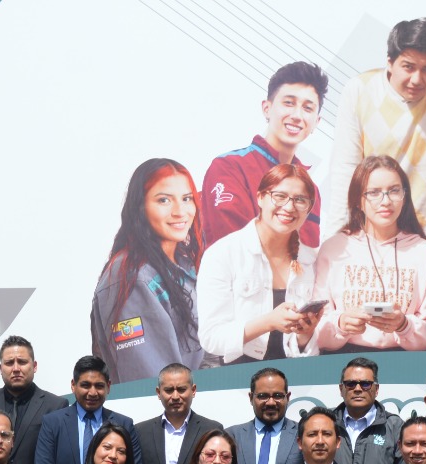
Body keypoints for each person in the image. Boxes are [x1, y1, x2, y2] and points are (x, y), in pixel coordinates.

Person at [326, 18, 426, 238]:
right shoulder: (360, 90)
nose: (417, 79)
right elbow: (346, 171)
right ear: (390, 62)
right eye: (408, 67)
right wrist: (335, 240)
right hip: (376, 239)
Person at [92, 158, 205, 383]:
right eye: (164, 200)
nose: (180, 211)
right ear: (140, 208)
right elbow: (152, 383)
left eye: (186, 199)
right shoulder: (131, 278)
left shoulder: (186, 264)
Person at [198, 164, 321, 367]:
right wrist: (269, 322)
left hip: (294, 376)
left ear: (308, 208)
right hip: (238, 374)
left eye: (300, 200)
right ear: (260, 197)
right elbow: (212, 337)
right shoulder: (222, 254)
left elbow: (308, 348)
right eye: (279, 196)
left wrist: (305, 334)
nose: (289, 207)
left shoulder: (311, 260)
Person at [198, 62, 328, 254]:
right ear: (267, 108)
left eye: (308, 108)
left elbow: (307, 258)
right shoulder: (229, 167)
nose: (297, 115)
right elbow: (233, 251)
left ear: (316, 122)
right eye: (289, 103)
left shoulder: (311, 191)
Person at [311, 156, 426, 354]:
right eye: (374, 193)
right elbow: (313, 330)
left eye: (394, 191)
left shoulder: (423, 251)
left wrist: (404, 325)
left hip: (404, 362)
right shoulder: (334, 248)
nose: (385, 201)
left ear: (404, 197)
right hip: (342, 360)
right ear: (358, 201)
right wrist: (341, 323)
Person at [35, 355, 145, 464]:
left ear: (108, 386)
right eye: (85, 385)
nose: (92, 393)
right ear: (73, 385)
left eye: (99, 386)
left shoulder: (124, 424)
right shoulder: (53, 423)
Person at [0, 336, 66, 464]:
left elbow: (58, 459)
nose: (16, 368)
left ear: (34, 366)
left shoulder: (55, 406)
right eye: (9, 363)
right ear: (1, 368)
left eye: (22, 362)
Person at [133, 364, 223, 464]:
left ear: (193, 390)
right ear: (158, 392)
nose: (175, 396)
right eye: (169, 390)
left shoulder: (211, 430)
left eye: (181, 389)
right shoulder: (141, 431)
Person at [228, 367, 302, 464]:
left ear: (288, 397)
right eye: (263, 396)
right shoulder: (232, 436)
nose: (271, 402)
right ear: (251, 398)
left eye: (278, 395)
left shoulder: (302, 434)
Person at [332, 357, 404, 464]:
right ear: (341, 389)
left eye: (365, 384)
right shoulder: (327, 423)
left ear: (376, 389)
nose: (358, 389)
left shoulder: (395, 426)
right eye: (351, 384)